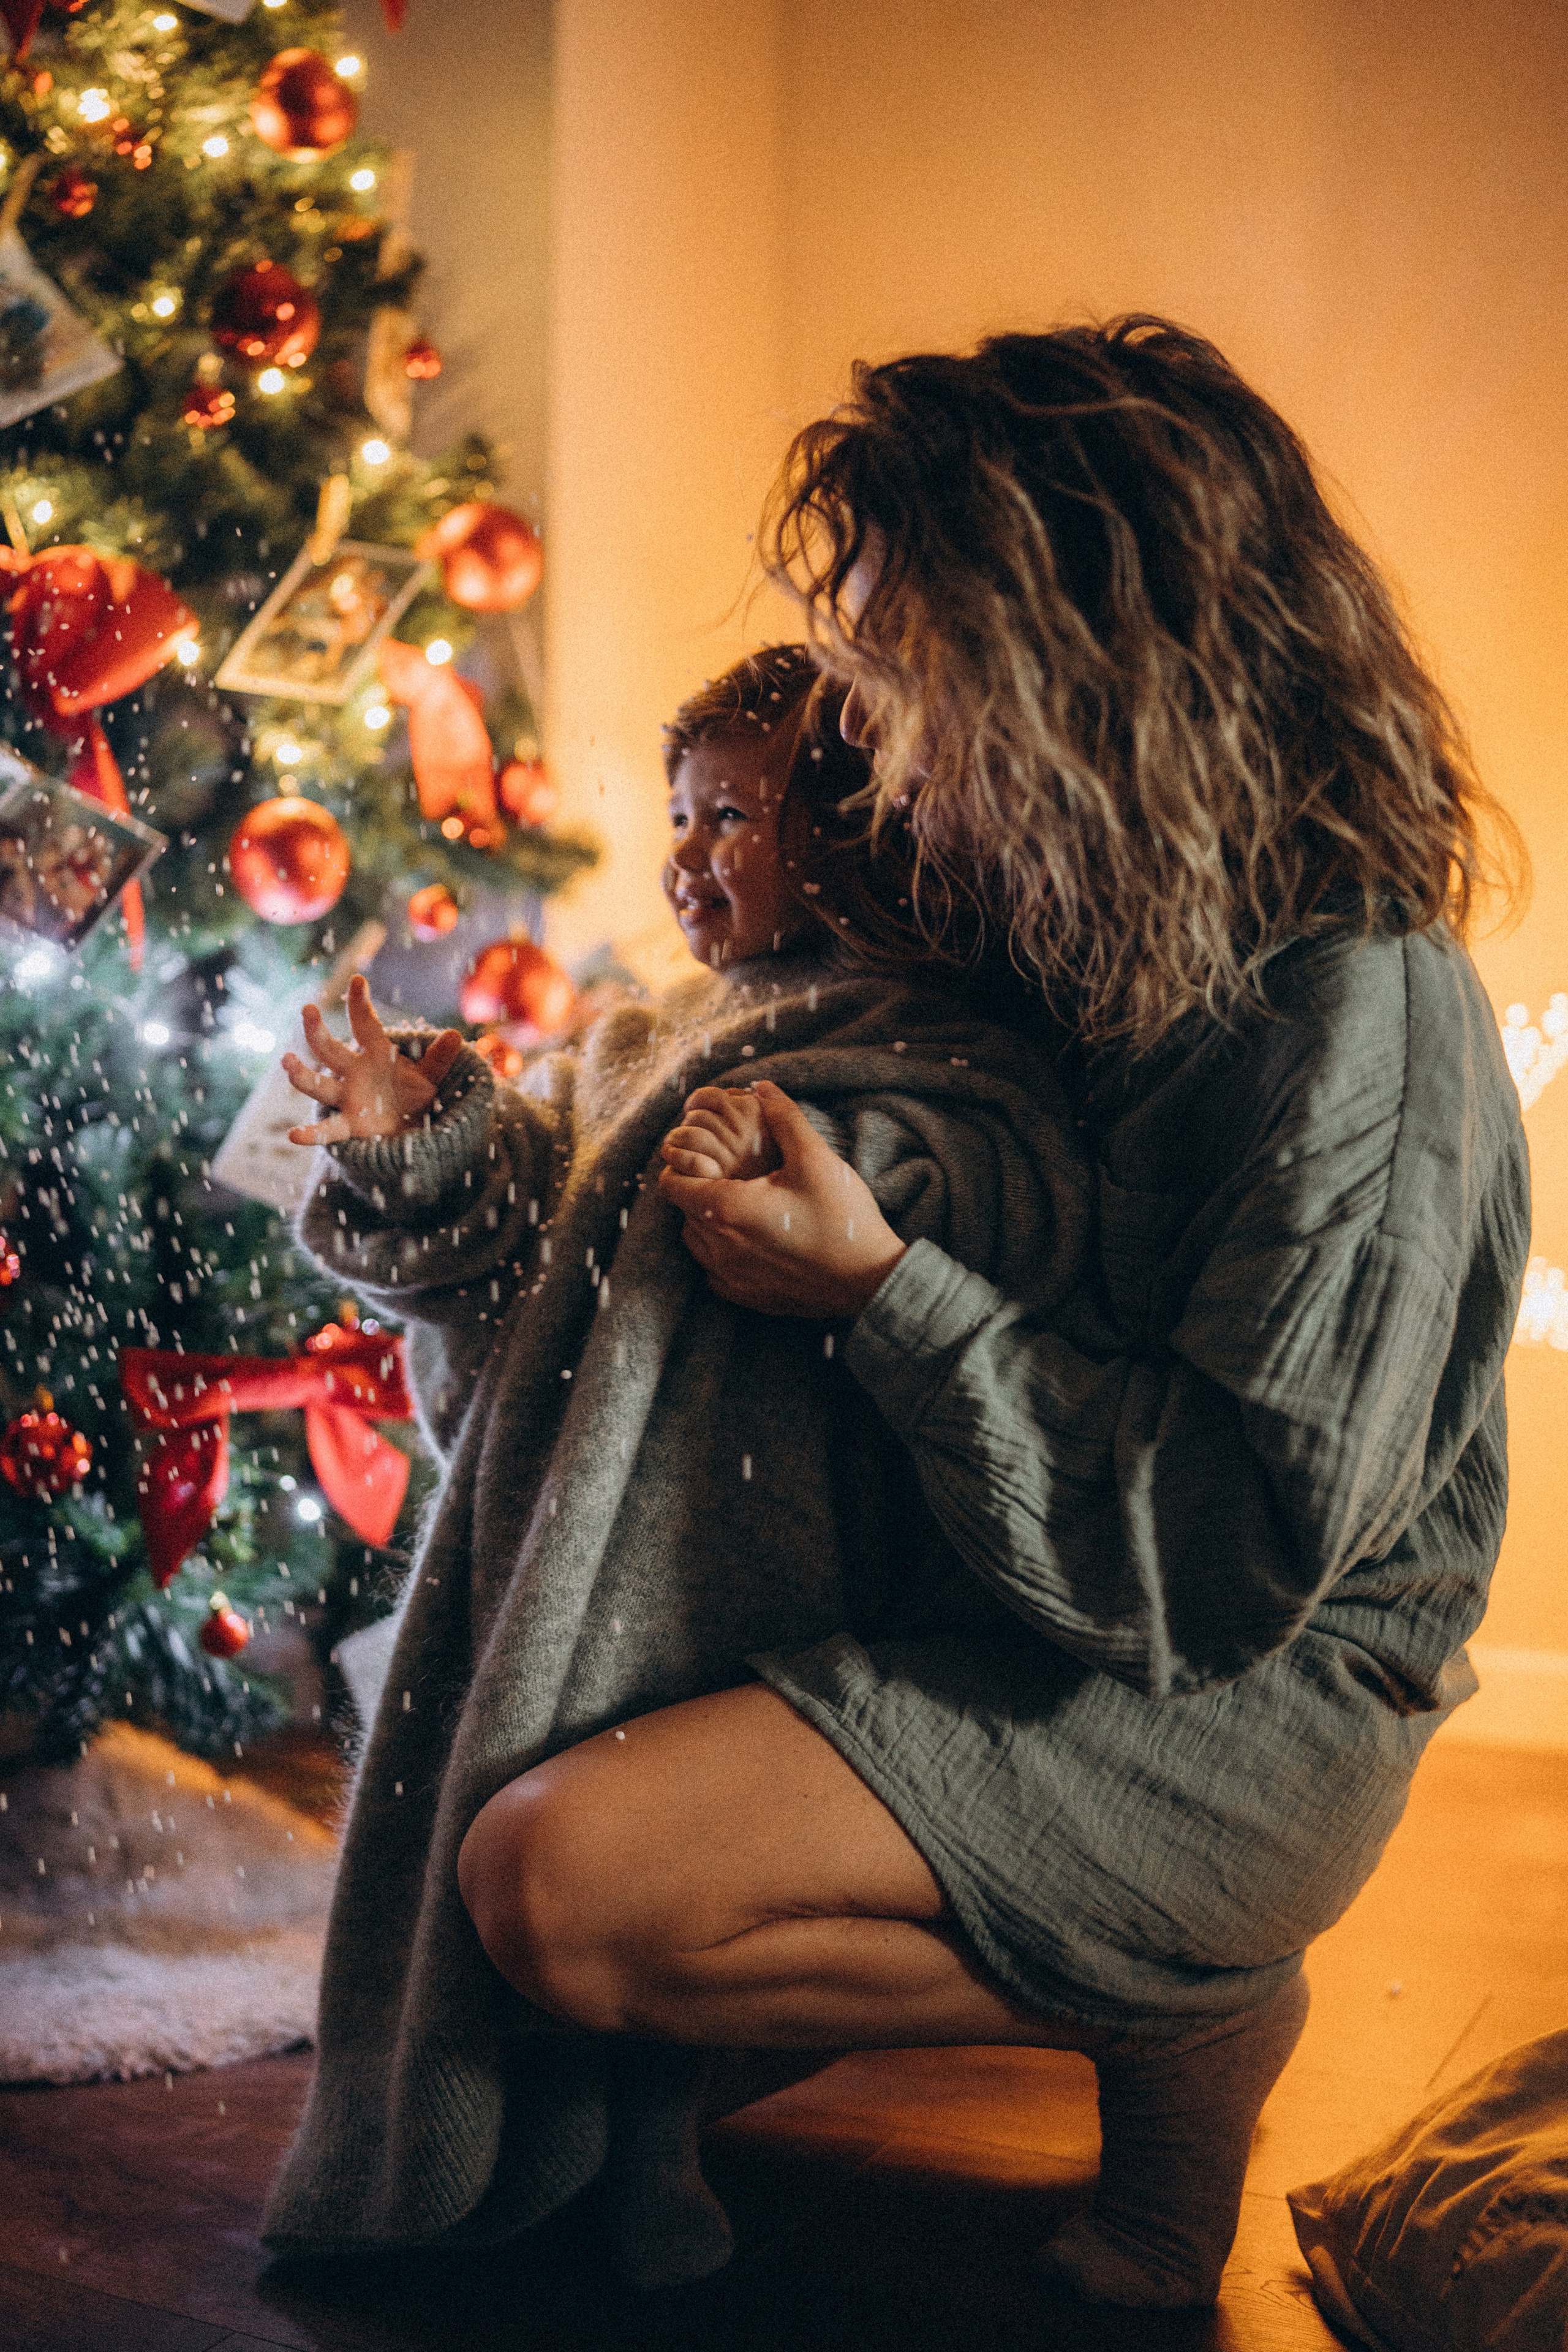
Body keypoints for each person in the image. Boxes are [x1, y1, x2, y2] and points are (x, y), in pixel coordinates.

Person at [451, 318, 1531, 2310]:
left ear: (1066, 662)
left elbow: (1217, 1567)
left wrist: (879, 1286)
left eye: (895, 661)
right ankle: (1091, 1970)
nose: (863, 728)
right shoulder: (1070, 925)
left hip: (1233, 1700)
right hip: (1007, 1600)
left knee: (554, 1888)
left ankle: (1193, 1995)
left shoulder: (1355, 1017)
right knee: (548, 1845)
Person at [262, 647, 1095, 2287]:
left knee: (647, 1824)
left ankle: (656, 2138)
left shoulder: (960, 1046)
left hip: (773, 1544)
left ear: (865, 825)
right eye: (677, 814)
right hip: (576, 1522)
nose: (689, 852)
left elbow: (992, 1203)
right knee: (529, 1778)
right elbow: (515, 1240)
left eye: (735, 815)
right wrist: (420, 1137)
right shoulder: (645, 1035)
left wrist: (800, 1163)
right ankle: (548, 2140)